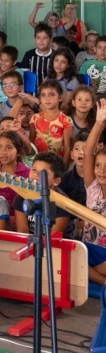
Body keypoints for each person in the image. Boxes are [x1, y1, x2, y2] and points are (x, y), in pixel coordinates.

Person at [13, 152, 72, 238]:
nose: (36, 175)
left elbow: (53, 239)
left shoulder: (61, 204)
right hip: (30, 246)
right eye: (33, 170)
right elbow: (23, 233)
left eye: (43, 173)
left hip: (56, 248)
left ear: (55, 181)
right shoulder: (21, 198)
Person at [82, 99, 106, 284]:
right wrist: (99, 123)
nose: (101, 170)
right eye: (98, 166)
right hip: (90, 250)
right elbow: (88, 152)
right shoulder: (93, 187)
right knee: (74, 253)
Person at [30, 79, 73, 167]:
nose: (47, 99)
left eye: (51, 95)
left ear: (60, 98)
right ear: (40, 99)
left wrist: (63, 169)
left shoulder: (66, 120)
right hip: (38, 162)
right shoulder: (35, 118)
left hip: (57, 165)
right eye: (43, 95)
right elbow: (31, 143)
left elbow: (68, 148)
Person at [20, 23, 53, 90]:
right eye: (38, 37)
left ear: (50, 39)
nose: (41, 41)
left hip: (51, 90)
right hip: (31, 91)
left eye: (45, 38)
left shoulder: (55, 56)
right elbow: (23, 75)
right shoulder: (29, 55)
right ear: (34, 39)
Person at [60, 132, 87, 208]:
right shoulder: (64, 179)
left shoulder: (99, 177)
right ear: (72, 155)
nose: (81, 152)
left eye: (85, 149)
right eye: (77, 149)